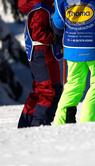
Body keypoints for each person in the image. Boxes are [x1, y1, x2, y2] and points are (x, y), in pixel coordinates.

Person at [52, 0, 95, 124]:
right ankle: (88, 121)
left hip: (73, 48)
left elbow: (58, 25)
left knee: (74, 84)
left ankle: (61, 122)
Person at [17, 0, 63, 128]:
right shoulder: (41, 9)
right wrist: (55, 37)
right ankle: (39, 122)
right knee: (48, 90)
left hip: (38, 54)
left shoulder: (41, 7)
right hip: (42, 53)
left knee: (41, 89)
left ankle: (26, 122)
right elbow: (38, 33)